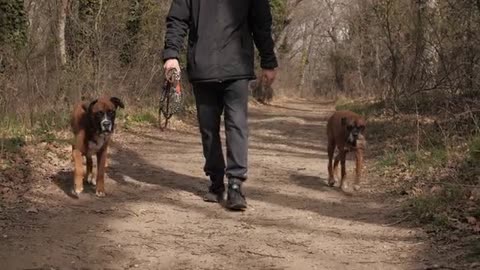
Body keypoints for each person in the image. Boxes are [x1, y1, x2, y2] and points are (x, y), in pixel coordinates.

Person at [163, 0, 278, 210]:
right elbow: (178, 18)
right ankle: (216, 183)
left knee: (237, 125)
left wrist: (268, 61)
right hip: (203, 67)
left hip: (237, 67)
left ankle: (235, 184)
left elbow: (261, 21)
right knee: (209, 129)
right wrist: (171, 54)